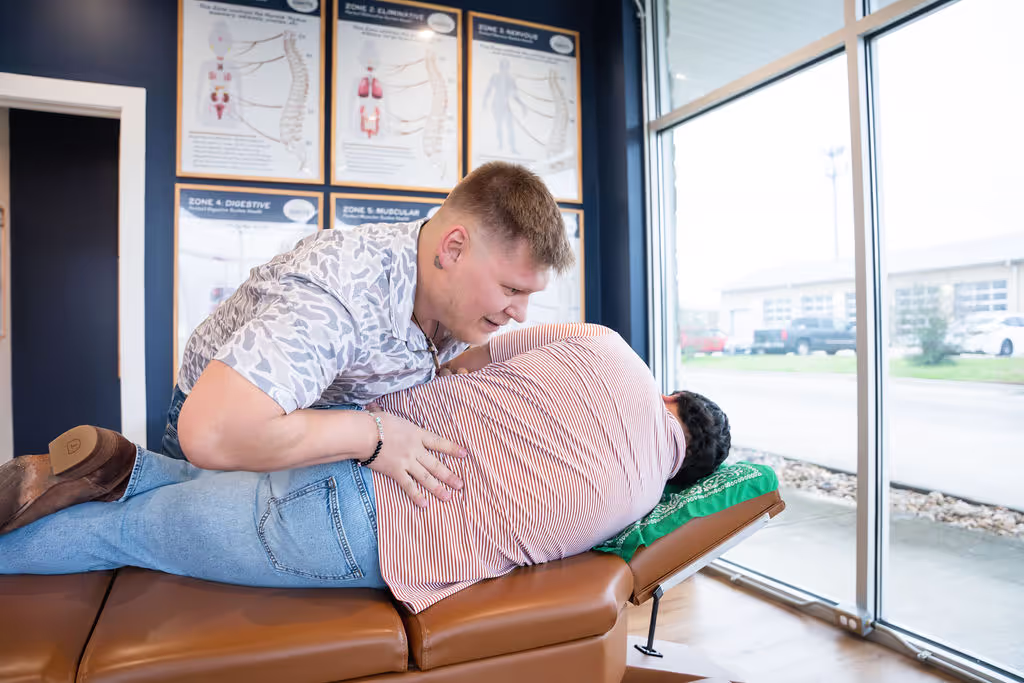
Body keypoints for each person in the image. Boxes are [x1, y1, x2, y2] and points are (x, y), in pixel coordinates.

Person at [0, 324, 731, 614]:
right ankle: (104, 491)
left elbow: (473, 355)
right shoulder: (636, 498)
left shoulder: (606, 345)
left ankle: (116, 468)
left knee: (193, 482)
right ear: (682, 474)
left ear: (670, 393)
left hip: (359, 437)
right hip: (356, 533)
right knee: (122, 537)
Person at [170, 161, 573, 508]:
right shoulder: (339, 289)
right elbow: (213, 433)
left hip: (319, 429)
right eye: (510, 290)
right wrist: (373, 436)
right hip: (236, 429)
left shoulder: (457, 295)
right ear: (453, 249)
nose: (520, 314)